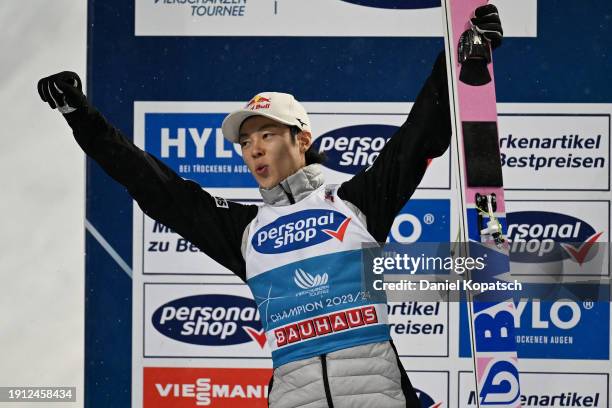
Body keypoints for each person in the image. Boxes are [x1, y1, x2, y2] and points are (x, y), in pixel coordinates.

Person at [37, 6, 502, 407]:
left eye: (267, 135)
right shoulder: (245, 230)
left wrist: (460, 59)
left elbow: (418, 135)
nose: (254, 150)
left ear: (302, 139)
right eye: (245, 142)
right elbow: (155, 187)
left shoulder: (354, 203)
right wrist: (83, 118)